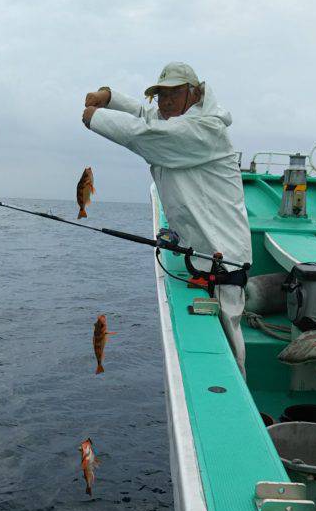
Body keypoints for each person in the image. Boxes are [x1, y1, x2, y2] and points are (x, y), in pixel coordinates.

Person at [82, 62, 252, 377]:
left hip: (223, 262)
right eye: (161, 94)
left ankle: (235, 411)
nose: (166, 101)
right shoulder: (178, 120)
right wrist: (109, 96)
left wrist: (96, 118)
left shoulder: (204, 129)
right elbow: (146, 116)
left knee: (228, 352)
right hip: (199, 256)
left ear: (195, 93)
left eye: (174, 92)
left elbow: (146, 134)